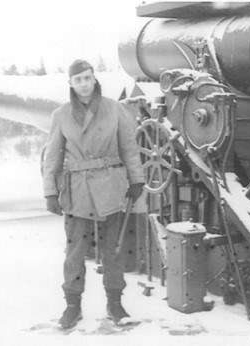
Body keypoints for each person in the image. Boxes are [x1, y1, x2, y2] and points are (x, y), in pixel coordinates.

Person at [42, 59, 145, 329]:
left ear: (94, 78)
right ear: (70, 84)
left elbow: (129, 149)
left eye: (87, 78)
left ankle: (115, 303)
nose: (84, 84)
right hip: (77, 192)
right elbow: (52, 157)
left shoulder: (116, 110)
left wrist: (137, 180)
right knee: (75, 251)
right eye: (78, 80)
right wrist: (50, 192)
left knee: (113, 249)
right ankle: (72, 306)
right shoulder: (61, 115)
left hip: (111, 188)